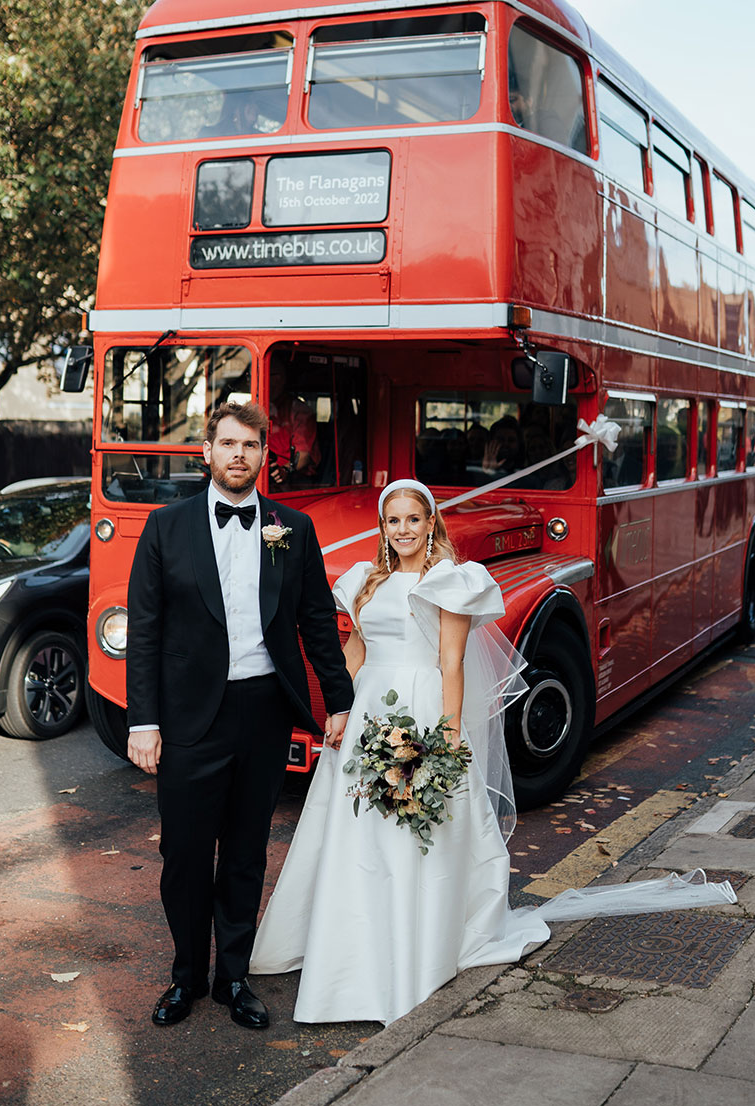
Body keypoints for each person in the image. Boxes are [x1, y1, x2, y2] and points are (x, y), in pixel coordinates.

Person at [249, 479, 551, 1024]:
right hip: (369, 710)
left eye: (414, 519)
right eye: (393, 521)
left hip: (424, 707)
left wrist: (450, 734)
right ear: (383, 528)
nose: (403, 530)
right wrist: (338, 709)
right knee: (355, 827)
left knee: (419, 829)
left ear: (430, 523)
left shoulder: (451, 582)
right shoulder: (366, 580)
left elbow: (452, 663)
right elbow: (355, 650)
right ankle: (351, 948)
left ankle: (417, 946)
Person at [126, 400, 353, 1030]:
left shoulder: (293, 529)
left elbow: (315, 622)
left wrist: (338, 699)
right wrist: (143, 721)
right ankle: (185, 977)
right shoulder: (165, 528)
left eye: (250, 446)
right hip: (189, 718)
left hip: (262, 711)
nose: (238, 456)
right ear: (207, 451)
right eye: (227, 444)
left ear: (263, 457)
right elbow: (144, 632)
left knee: (248, 851)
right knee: (186, 855)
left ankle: (233, 977)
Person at [266, 355, 320, 488]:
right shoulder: (256, 408)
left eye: (270, 375)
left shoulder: (299, 411)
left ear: (280, 379)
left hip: (294, 481)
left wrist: (284, 470)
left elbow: (303, 455)